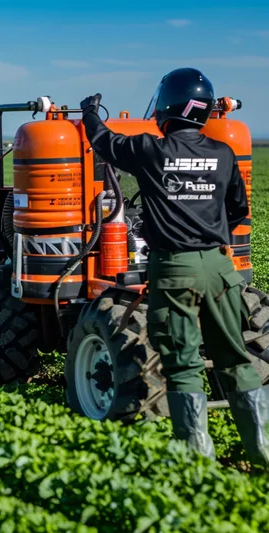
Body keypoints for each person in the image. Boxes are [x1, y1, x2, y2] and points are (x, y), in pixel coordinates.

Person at [79, 67, 269, 465]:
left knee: (183, 365)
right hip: (220, 269)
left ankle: (196, 463)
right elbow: (238, 209)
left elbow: (105, 142)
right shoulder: (222, 154)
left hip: (175, 270)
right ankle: (263, 451)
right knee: (236, 359)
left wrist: (90, 112)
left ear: (167, 108)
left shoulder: (151, 150)